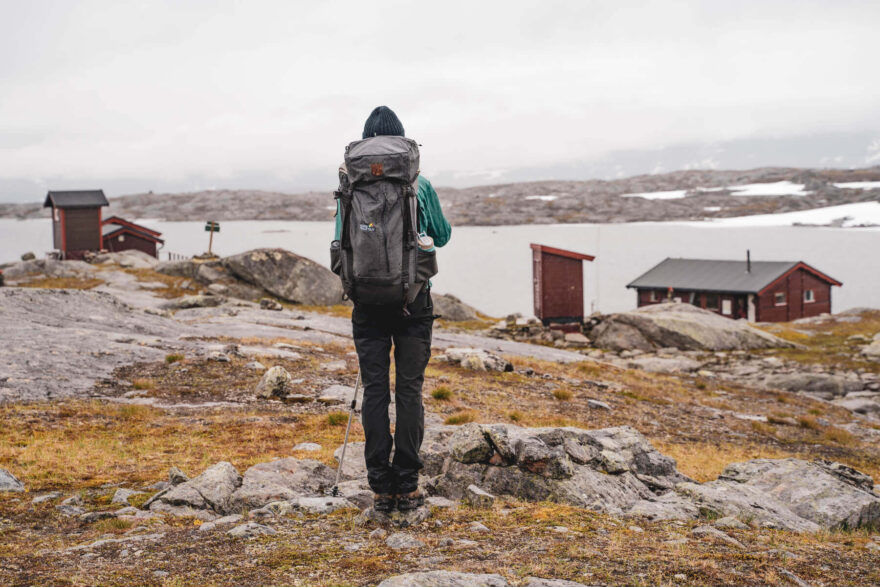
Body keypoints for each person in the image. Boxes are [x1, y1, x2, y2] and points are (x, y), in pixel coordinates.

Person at [333, 106, 451, 512]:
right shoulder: (420, 183)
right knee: (409, 391)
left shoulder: (349, 185)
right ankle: (408, 484)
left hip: (366, 304)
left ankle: (381, 487)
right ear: (403, 144)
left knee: (375, 391)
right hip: (413, 301)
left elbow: (339, 244)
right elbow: (443, 236)